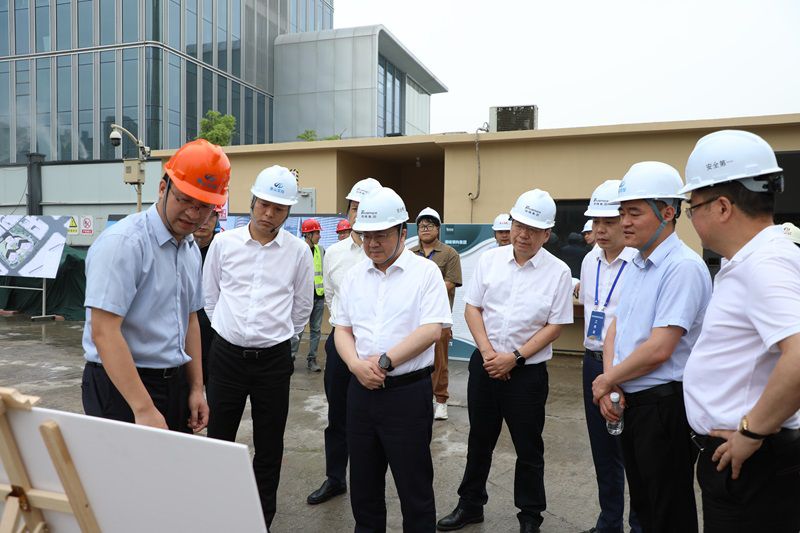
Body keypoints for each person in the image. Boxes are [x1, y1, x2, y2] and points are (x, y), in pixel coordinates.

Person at [679, 130, 800, 532]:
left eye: (692, 207)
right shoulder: (755, 260)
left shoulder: (765, 264)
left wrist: (751, 432)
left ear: (722, 207)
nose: (692, 218)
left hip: (751, 462)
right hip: (746, 459)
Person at [438, 189, 573, 533]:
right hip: (485, 365)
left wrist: (513, 358)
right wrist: (488, 354)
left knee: (528, 447)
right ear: (511, 224)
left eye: (533, 229)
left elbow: (555, 325)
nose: (524, 234)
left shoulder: (558, 272)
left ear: (547, 234)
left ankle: (530, 516)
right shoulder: (490, 260)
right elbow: (472, 308)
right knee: (479, 441)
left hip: (526, 374)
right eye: (519, 225)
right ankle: (470, 505)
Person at [591, 161, 712, 533]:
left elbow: (660, 348)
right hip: (632, 400)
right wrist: (611, 382)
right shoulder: (637, 262)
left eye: (635, 213)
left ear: (668, 213)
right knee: (644, 506)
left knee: (668, 510)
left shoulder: (682, 267)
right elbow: (616, 327)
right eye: (622, 213)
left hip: (664, 407)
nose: (625, 222)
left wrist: (606, 380)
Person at [81, 139, 229, 433]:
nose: (193, 213)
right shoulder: (124, 243)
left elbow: (190, 319)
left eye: (204, 206)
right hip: (121, 386)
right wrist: (144, 408)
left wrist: (196, 388)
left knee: (172, 464)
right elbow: (104, 330)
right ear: (163, 188)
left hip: (174, 382)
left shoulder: (189, 248)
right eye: (185, 200)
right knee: (124, 464)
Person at [334, 186, 452, 532]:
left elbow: (432, 330)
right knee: (364, 488)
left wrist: (384, 362)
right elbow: (342, 329)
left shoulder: (425, 273)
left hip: (407, 395)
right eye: (366, 236)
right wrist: (356, 365)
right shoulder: (354, 276)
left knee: (414, 488)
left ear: (402, 232)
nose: (372, 244)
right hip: (361, 393)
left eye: (381, 235)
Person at [203, 164, 313, 529]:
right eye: (264, 204)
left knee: (269, 446)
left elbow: (302, 306)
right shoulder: (224, 244)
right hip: (226, 358)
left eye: (278, 208)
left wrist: (276, 337)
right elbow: (210, 297)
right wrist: (232, 331)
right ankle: (217, 517)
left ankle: (261, 520)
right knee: (218, 441)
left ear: (288, 211)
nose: (269, 214)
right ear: (251, 202)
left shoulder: (298, 252)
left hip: (273, 362)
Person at [306, 177, 382, 506]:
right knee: (338, 416)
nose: (359, 213)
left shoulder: (389, 252)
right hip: (340, 346)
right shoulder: (334, 253)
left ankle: (369, 483)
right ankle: (335, 478)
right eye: (354, 207)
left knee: (375, 420)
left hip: (378, 352)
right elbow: (332, 299)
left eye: (366, 207)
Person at [578, 180, 640, 533]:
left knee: (634, 451)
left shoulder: (640, 263)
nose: (600, 229)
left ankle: (639, 524)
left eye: (609, 221)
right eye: (596, 222)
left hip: (629, 367)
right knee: (603, 449)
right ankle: (609, 522)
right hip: (592, 361)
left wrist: (615, 375)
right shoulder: (590, 260)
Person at [410, 207, 463, 421]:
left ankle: (441, 401)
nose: (425, 229)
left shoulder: (450, 254)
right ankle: (418, 399)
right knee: (413, 359)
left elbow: (451, 283)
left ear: (438, 229)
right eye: (422, 226)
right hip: (412, 318)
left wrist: (423, 291)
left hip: (439, 318)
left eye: (430, 225)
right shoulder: (409, 254)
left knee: (439, 362)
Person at [291, 217, 325, 372]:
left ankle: (312, 359)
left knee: (316, 330)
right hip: (302, 298)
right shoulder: (297, 250)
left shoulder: (321, 250)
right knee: (297, 329)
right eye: (317, 233)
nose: (319, 236)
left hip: (318, 297)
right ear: (308, 234)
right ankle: (290, 358)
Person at [194, 206, 221, 385]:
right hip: (183, 335)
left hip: (214, 336)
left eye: (211, 216)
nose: (204, 221)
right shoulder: (178, 248)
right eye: (200, 213)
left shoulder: (223, 249)